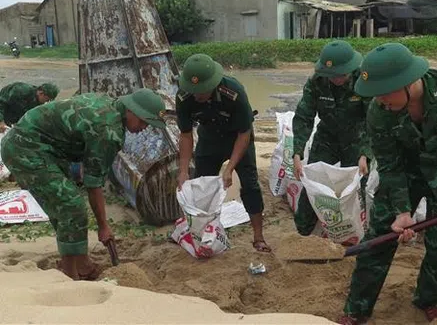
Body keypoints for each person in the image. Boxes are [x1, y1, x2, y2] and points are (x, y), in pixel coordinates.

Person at [339, 43, 437, 324]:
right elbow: (390, 166)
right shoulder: (379, 112)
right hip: (406, 174)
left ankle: (428, 298)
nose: (379, 100)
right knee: (378, 240)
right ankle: (357, 309)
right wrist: (402, 211)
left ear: (406, 82)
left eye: (383, 92)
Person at [1, 88, 166, 280]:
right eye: (145, 121)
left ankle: (81, 263)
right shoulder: (107, 131)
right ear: (131, 111)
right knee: (71, 205)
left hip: (48, 148)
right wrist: (103, 226)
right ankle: (70, 275)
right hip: (25, 147)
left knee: (64, 203)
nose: (145, 127)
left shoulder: (110, 105)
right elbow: (93, 184)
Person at [175, 53, 271, 252]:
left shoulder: (234, 92)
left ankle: (258, 237)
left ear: (214, 83)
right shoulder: (184, 96)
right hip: (209, 140)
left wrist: (229, 168)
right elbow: (185, 135)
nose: (197, 95)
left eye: (202, 91)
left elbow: (244, 134)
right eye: (194, 90)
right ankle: (201, 234)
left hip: (237, 139)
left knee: (250, 185)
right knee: (200, 187)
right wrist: (183, 170)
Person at [292, 40, 371, 237]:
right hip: (327, 137)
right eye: (332, 75)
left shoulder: (363, 81)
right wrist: (297, 152)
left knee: (355, 188)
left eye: (341, 74)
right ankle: (303, 232)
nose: (336, 79)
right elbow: (304, 116)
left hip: (357, 138)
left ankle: (354, 233)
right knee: (313, 182)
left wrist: (366, 153)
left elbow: (375, 119)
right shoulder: (316, 82)